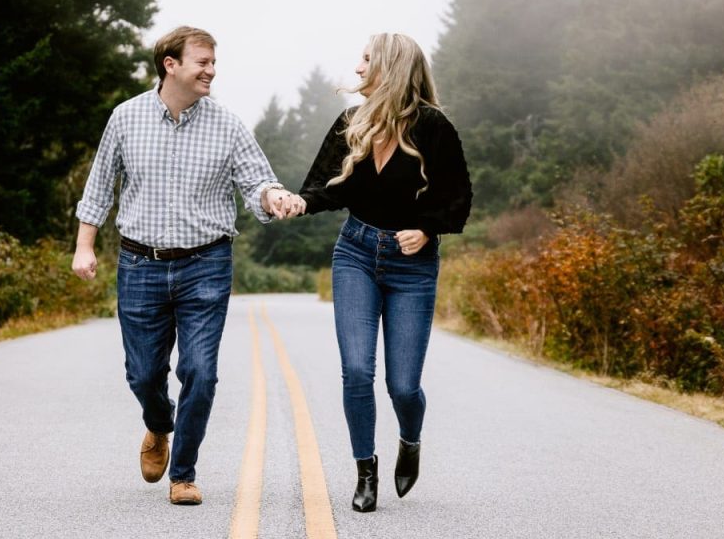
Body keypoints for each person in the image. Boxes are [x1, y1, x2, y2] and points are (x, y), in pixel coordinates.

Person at [73, 26, 304, 506]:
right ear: (170, 64)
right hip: (140, 264)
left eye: (214, 62)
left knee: (200, 371)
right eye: (202, 62)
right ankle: (158, 425)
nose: (211, 70)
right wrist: (85, 246)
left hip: (206, 262)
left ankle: (184, 473)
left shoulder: (227, 125)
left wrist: (275, 196)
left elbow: (258, 180)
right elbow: (99, 188)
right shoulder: (125, 118)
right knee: (142, 374)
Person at [291, 33, 473, 513]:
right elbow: (324, 189)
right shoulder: (350, 123)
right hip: (354, 254)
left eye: (366, 59)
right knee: (355, 371)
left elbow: (458, 199)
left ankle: (410, 440)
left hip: (411, 268)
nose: (357, 69)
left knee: (403, 386)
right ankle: (365, 472)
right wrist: (296, 202)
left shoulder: (434, 128)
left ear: (389, 67)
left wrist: (427, 230)